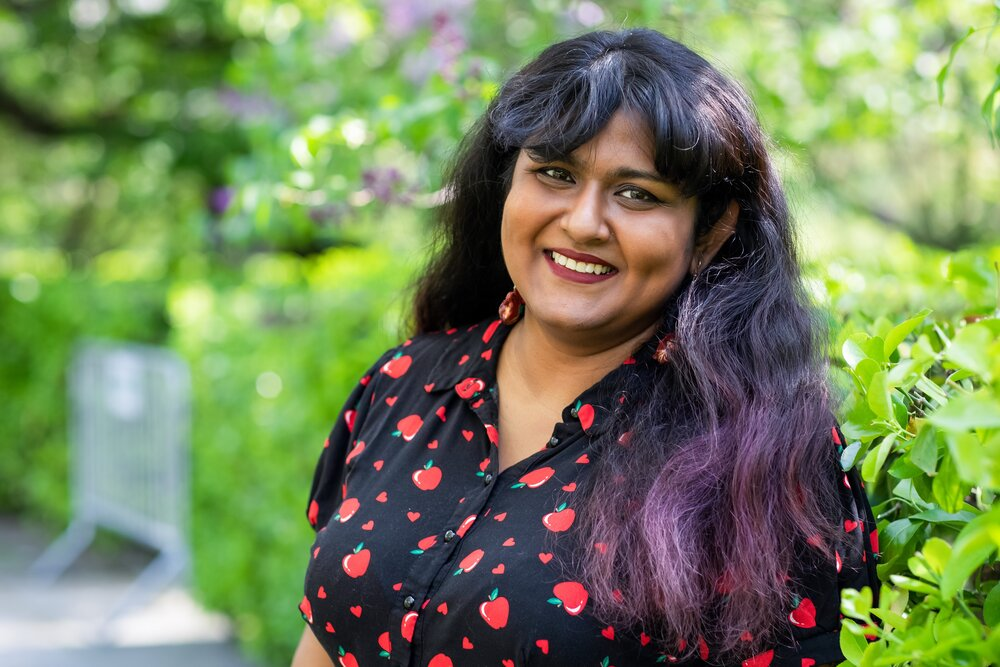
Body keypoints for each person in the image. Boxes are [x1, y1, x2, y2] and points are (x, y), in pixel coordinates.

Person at [291, 28, 879, 667]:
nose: (583, 222)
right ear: (506, 185)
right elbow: (324, 639)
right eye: (554, 173)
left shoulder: (767, 462)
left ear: (711, 231)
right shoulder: (406, 382)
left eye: (637, 194)